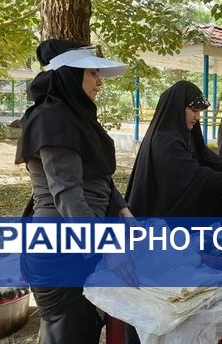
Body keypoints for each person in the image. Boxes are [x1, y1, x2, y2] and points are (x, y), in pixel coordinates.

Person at [15, 40, 135, 344]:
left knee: (80, 327)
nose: (99, 83)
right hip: (59, 251)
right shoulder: (51, 118)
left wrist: (121, 208)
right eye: (93, 73)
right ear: (70, 74)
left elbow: (98, 177)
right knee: (68, 331)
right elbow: (68, 194)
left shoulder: (75, 118)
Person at [125, 80, 222, 218]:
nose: (197, 117)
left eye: (199, 112)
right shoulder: (165, 140)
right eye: (194, 111)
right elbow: (194, 175)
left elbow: (205, 157)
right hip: (159, 215)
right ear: (177, 109)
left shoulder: (181, 133)